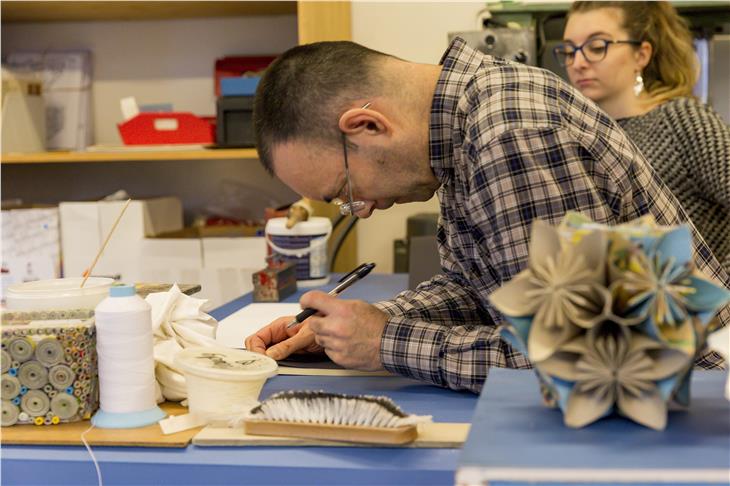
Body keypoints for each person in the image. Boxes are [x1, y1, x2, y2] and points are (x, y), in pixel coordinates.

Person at [247, 38, 729, 393]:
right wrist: (353, 326)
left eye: (345, 191)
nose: (363, 210)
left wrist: (388, 343)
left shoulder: (510, 134)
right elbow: (483, 288)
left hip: (692, 411)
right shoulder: (467, 123)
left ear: (368, 126)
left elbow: (585, 362)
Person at [560, 1, 730, 271]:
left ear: (641, 55)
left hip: (694, 310)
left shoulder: (680, 121)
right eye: (569, 51)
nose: (578, 63)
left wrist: (720, 291)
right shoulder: (580, 136)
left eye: (596, 47)